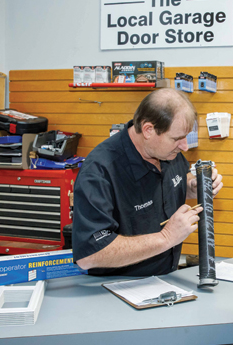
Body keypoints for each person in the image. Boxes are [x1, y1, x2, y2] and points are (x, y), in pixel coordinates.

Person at [72, 88, 223, 276]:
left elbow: (172, 183)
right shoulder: (99, 171)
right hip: (114, 290)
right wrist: (166, 238)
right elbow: (90, 255)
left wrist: (193, 186)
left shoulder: (168, 152)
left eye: (186, 137)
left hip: (165, 281)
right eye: (177, 139)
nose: (184, 146)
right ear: (148, 130)